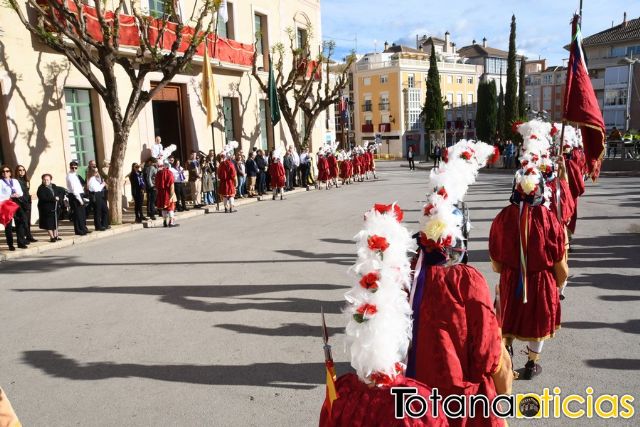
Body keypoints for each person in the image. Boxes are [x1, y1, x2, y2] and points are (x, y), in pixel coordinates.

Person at [407, 141, 511, 426]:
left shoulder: (409, 274)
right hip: (459, 400)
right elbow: (488, 352)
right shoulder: (467, 281)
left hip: (412, 396)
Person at [489, 166, 568, 380]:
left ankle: (507, 360)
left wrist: (502, 269)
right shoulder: (549, 218)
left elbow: (495, 253)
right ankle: (532, 364)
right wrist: (561, 281)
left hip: (512, 277)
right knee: (538, 322)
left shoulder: (504, 216)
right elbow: (559, 253)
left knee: (508, 319)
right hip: (542, 280)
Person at [0, 165, 28, 250]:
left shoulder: (15, 181)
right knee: (8, 225)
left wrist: (17, 194)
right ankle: (10, 244)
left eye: (7, 171)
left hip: (16, 202)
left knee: (20, 222)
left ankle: (21, 242)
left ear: (10, 172)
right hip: (7, 204)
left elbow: (20, 192)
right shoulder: (0, 182)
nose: (6, 173)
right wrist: (9, 195)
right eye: (4, 171)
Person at [66, 161, 90, 236]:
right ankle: (79, 230)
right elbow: (74, 190)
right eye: (72, 167)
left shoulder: (75, 175)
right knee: (78, 214)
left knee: (82, 214)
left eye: (75, 168)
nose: (74, 169)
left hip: (79, 195)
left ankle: (83, 228)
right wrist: (80, 200)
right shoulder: (70, 176)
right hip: (75, 196)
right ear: (70, 167)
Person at [37, 173, 63, 242]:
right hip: (46, 208)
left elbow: (59, 193)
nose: (46, 181)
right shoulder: (41, 188)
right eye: (44, 180)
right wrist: (53, 198)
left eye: (47, 180)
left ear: (50, 180)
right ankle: (52, 237)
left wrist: (59, 198)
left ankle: (56, 236)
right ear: (42, 180)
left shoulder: (54, 186)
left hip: (55, 207)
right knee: (48, 223)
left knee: (55, 222)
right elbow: (43, 198)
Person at [14, 165, 37, 243]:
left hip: (27, 201)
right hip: (20, 202)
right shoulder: (16, 181)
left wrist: (30, 197)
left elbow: (27, 191)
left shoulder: (26, 180)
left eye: (23, 170)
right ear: (17, 171)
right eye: (20, 170)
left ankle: (29, 236)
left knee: (27, 220)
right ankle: (22, 238)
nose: (22, 171)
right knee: (22, 221)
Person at [155, 160, 179, 227]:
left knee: (164, 208)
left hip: (161, 193)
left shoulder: (158, 173)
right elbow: (171, 185)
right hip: (168, 193)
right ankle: (171, 222)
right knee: (171, 208)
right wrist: (171, 195)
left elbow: (156, 185)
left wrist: (158, 194)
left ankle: (164, 222)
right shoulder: (169, 173)